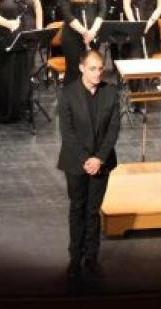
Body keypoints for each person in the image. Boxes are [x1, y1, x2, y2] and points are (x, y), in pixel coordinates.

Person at [57, 49, 120, 281]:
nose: (97, 73)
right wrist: (86, 159)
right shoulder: (68, 94)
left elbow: (113, 130)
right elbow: (68, 133)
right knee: (77, 209)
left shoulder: (111, 92)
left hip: (101, 163)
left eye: (100, 68)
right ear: (82, 68)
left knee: (93, 212)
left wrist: (99, 159)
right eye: (92, 68)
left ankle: (91, 259)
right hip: (75, 162)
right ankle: (75, 258)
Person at [58, 0, 105, 85]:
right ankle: (71, 103)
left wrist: (93, 32)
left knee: (92, 72)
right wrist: (85, 33)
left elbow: (102, 10)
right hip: (72, 37)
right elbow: (68, 16)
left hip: (93, 36)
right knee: (74, 72)